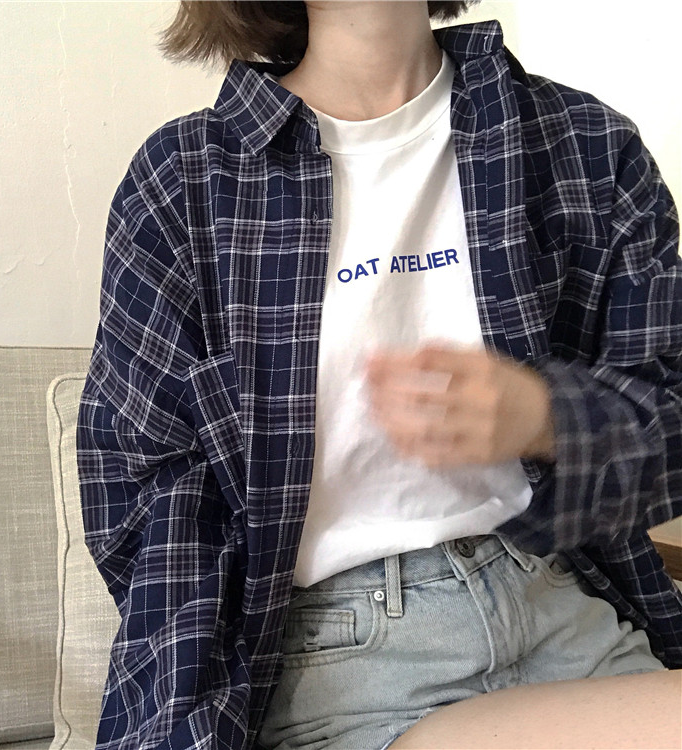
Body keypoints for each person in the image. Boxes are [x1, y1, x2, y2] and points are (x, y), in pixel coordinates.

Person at [77, 2, 682, 749]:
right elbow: (144, 500)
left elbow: (668, 424)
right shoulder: (186, 181)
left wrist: (546, 417)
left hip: (562, 609)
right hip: (340, 662)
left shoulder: (586, 145)